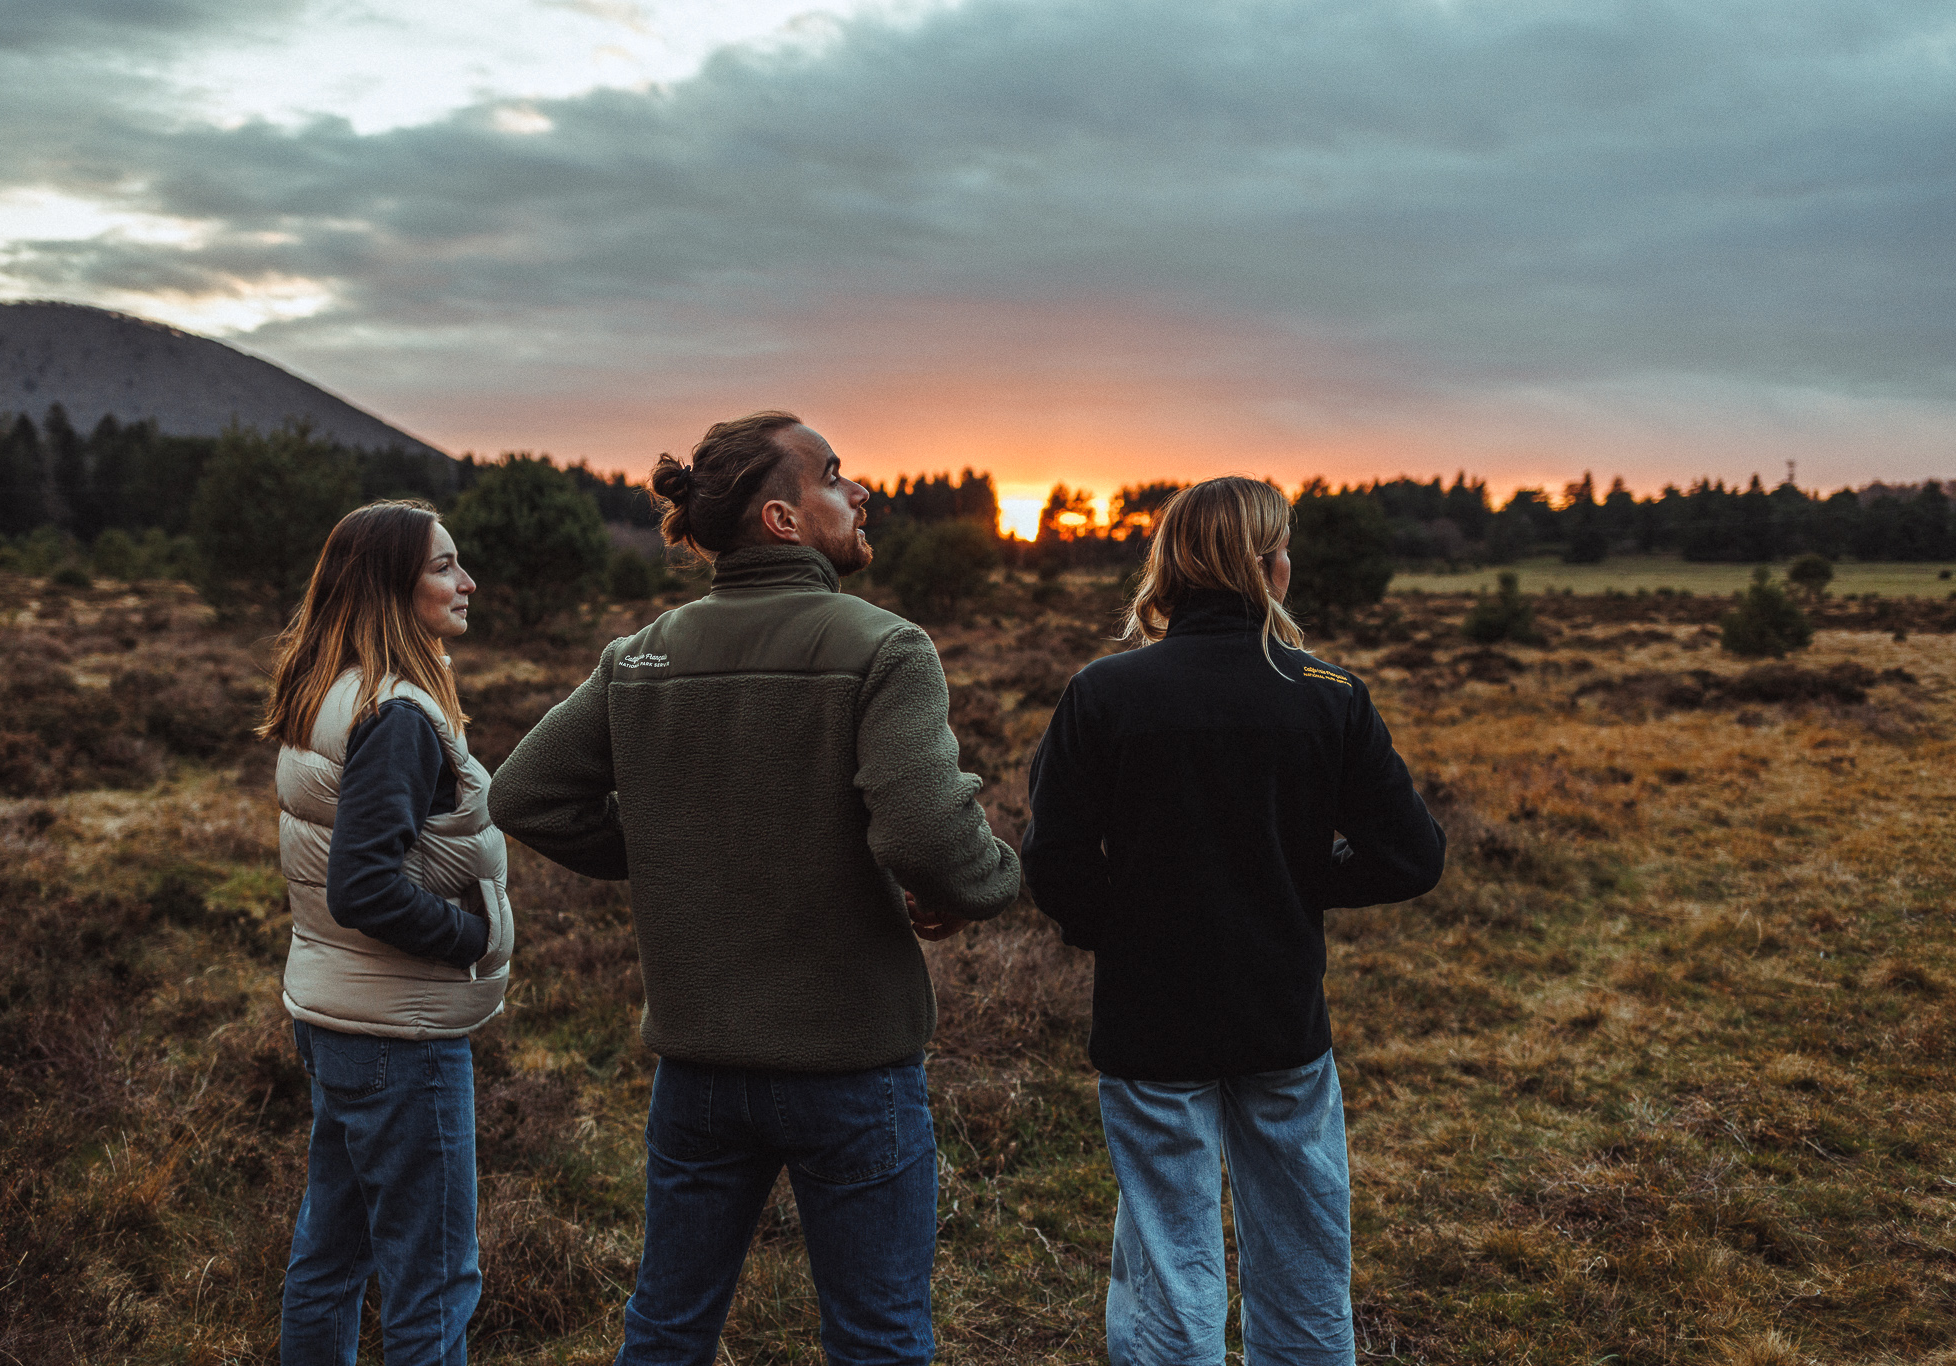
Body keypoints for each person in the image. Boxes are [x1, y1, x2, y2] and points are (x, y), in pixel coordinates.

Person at [490, 409, 1021, 1366]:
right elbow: (925, 834)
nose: (861, 492)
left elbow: (524, 794)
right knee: (879, 1338)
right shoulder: (885, 647)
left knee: (666, 1330)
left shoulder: (640, 655)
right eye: (835, 475)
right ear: (782, 519)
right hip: (851, 1064)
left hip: (696, 1073)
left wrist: (680, 847)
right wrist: (991, 881)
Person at [1022, 476, 1445, 1366]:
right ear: (1266, 566)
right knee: (1305, 1254)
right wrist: (1289, 885)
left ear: (1171, 566)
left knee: (1169, 1264)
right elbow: (1412, 856)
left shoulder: (1105, 692)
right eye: (1283, 546)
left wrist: (1126, 928)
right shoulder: (1328, 693)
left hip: (1149, 1020)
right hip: (1279, 1014)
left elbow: (1054, 860)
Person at [259, 499, 513, 1366]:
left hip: (339, 1016)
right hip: (400, 1034)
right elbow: (363, 886)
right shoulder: (397, 715)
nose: (466, 581)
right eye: (443, 566)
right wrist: (474, 938)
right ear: (389, 587)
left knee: (331, 1258)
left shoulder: (331, 691)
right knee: (432, 1280)